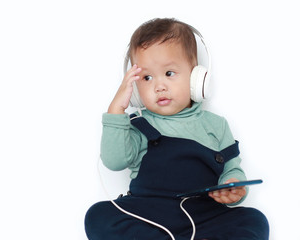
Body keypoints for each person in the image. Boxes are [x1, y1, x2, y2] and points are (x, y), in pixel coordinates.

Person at [85, 18, 269, 240]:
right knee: (98, 215)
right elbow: (114, 162)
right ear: (134, 89)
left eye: (169, 73)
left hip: (205, 216)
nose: (159, 86)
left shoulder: (216, 125)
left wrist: (232, 187)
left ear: (196, 78)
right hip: (148, 215)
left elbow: (232, 169)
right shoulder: (136, 125)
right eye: (147, 77)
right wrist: (116, 110)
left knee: (253, 220)